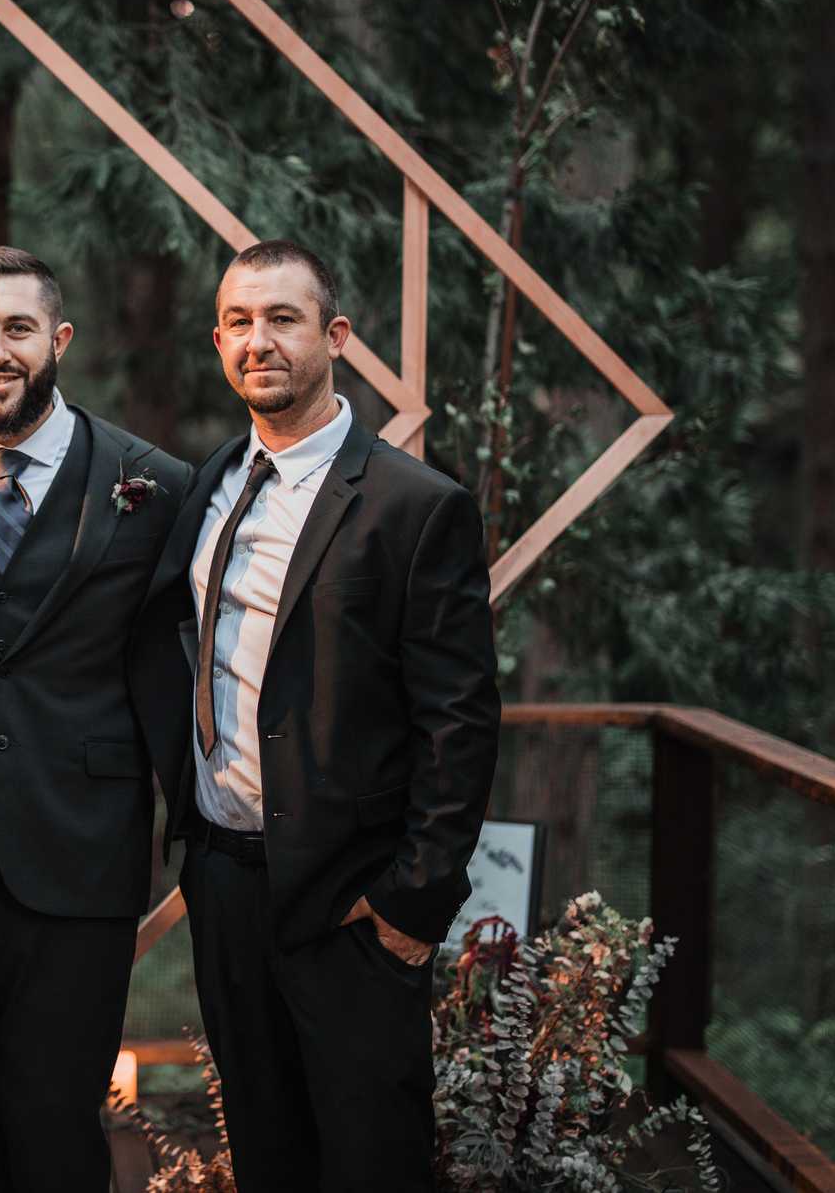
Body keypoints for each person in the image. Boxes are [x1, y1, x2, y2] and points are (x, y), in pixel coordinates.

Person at [128, 240, 500, 1192]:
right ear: (219, 341)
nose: (262, 340)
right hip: (223, 876)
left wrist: (415, 900)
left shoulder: (418, 507)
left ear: (334, 335)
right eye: (242, 322)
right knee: (266, 1153)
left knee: (372, 1160)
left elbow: (460, 720)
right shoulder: (203, 486)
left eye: (284, 319)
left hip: (352, 900)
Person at [0, 247, 192, 1191]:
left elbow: (185, 659)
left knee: (60, 1124)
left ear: (57, 339)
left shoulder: (154, 483)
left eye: (17, 328)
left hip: (83, 848)